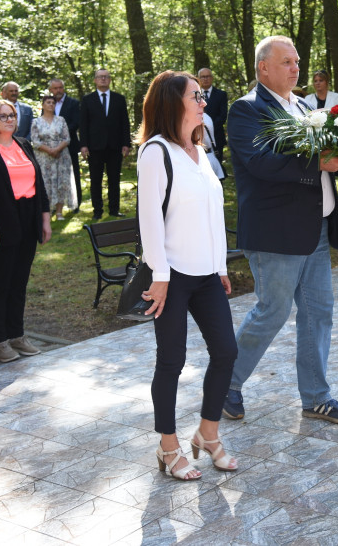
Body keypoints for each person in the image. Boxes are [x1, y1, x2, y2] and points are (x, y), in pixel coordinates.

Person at [223, 35, 338, 425]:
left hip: (316, 230)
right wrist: (321, 163)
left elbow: (329, 159)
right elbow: (261, 163)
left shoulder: (306, 106)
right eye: (286, 62)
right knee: (272, 312)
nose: (295, 68)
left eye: (297, 61)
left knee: (319, 313)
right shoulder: (246, 110)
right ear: (263, 69)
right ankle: (226, 385)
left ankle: (316, 397)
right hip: (276, 233)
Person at [136, 71, 238, 481]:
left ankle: (208, 434)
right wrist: (159, 275)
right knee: (171, 362)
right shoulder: (155, 152)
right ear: (172, 103)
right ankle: (168, 446)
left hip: (207, 275)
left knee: (226, 352)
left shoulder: (200, 151)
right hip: (173, 276)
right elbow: (149, 220)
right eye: (195, 96)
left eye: (202, 95)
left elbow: (214, 213)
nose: (203, 102)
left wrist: (221, 266)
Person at [0, 99, 51, 363]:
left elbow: (40, 184)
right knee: (0, 283)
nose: (10, 120)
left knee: (19, 282)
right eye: (3, 116)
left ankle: (17, 335)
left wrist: (45, 219)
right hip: (1, 218)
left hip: (28, 217)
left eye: (12, 115)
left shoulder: (23, 143)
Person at [79, 69, 131, 220]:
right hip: (95, 147)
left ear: (110, 80)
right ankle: (97, 211)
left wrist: (126, 143)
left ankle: (114, 209)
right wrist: (83, 145)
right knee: (96, 180)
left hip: (115, 146)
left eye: (106, 77)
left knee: (114, 179)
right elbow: (83, 124)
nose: (103, 79)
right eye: (100, 77)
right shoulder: (88, 99)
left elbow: (124, 123)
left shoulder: (119, 99)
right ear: (95, 80)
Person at [31, 94, 77, 220]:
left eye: (53, 103)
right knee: (45, 182)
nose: (51, 105)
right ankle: (46, 210)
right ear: (43, 105)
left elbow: (66, 138)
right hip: (43, 157)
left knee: (61, 182)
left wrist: (57, 149)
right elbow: (35, 141)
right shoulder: (36, 121)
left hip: (61, 155)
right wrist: (49, 150)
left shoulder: (61, 120)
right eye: (48, 102)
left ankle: (59, 211)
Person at [49, 79, 82, 211]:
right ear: (51, 90)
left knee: (73, 175)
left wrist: (59, 134)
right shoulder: (48, 103)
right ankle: (54, 206)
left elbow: (76, 123)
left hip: (70, 145)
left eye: (60, 88)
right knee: (53, 176)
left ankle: (75, 204)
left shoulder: (73, 103)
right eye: (55, 88)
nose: (58, 90)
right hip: (51, 147)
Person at [197, 68, 228, 162]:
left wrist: (208, 127)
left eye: (208, 76)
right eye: (203, 77)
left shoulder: (221, 95)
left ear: (212, 78)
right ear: (198, 79)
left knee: (217, 165)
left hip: (217, 136)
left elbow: (223, 116)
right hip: (199, 137)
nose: (205, 79)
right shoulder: (195, 96)